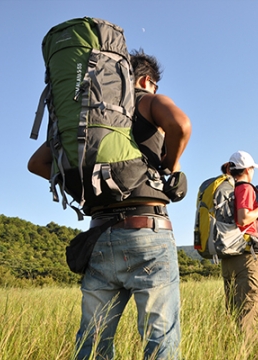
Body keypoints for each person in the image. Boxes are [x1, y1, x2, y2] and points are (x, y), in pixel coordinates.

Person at [28, 49, 191, 360]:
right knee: (160, 339)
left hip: (99, 237)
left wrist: (87, 190)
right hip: (147, 231)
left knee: (92, 341)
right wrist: (174, 165)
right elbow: (181, 125)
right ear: (145, 80)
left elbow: (37, 163)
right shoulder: (146, 99)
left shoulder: (86, 116)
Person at [219, 150, 258, 341]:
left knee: (234, 311)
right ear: (248, 169)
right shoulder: (245, 188)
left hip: (228, 256)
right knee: (249, 312)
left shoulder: (227, 188)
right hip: (246, 256)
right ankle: (247, 352)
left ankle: (234, 350)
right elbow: (243, 219)